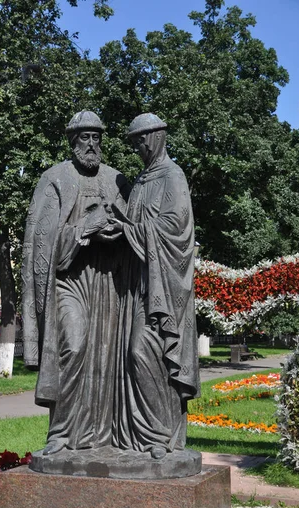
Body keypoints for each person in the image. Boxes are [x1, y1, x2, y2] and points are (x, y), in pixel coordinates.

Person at [22, 110, 129, 455]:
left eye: (97, 137)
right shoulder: (55, 179)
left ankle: (102, 436)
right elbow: (44, 241)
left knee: (107, 356)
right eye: (85, 137)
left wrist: (115, 231)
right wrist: (87, 227)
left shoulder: (116, 179)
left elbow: (134, 227)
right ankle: (61, 433)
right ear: (72, 141)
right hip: (68, 282)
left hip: (108, 281)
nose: (92, 144)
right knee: (75, 345)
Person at [107, 113, 200, 459]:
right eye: (134, 141)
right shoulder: (143, 180)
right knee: (137, 356)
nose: (138, 147)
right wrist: (119, 227)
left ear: (157, 136)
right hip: (137, 285)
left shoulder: (173, 176)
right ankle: (142, 436)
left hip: (163, 287)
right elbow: (137, 228)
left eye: (141, 139)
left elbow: (175, 230)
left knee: (144, 352)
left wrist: (130, 226)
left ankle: (161, 434)